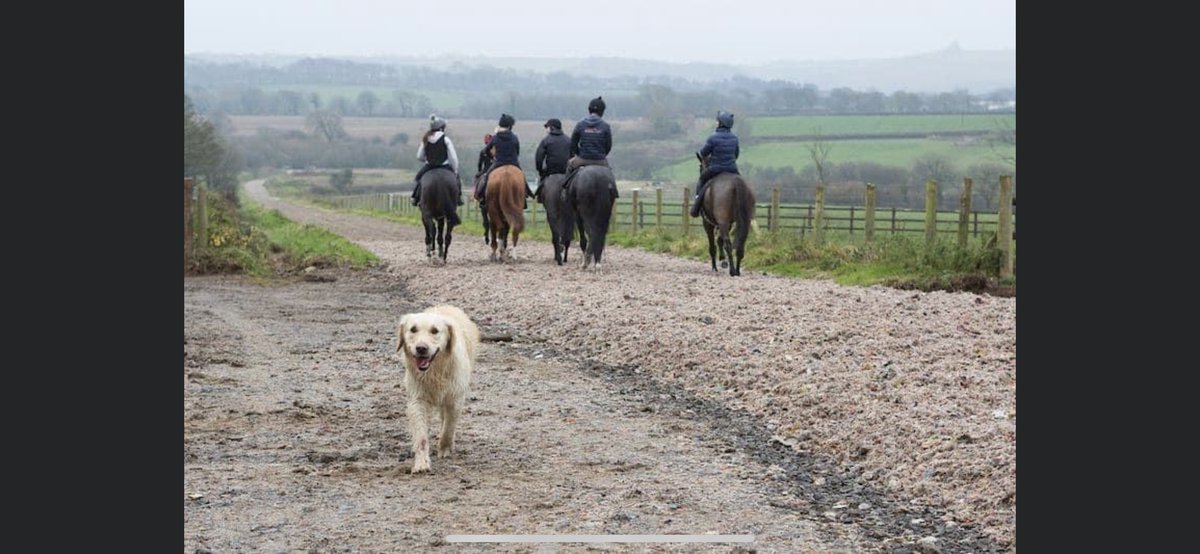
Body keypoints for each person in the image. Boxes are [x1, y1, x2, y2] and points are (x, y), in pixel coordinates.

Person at [561, 96, 617, 199]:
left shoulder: (581, 124)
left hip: (583, 159)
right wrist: (602, 154)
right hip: (600, 160)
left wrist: (579, 153)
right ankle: (614, 192)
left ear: (589, 109)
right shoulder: (605, 126)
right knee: (609, 173)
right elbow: (608, 145)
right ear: (602, 111)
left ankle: (565, 191)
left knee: (569, 165)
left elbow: (573, 143)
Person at [475, 113, 535, 207]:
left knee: (486, 177)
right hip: (513, 163)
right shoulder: (514, 137)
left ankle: (481, 196)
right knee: (522, 178)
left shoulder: (495, 137)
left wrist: (492, 157)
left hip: (498, 163)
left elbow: (486, 150)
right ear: (510, 126)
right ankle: (525, 197)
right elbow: (517, 151)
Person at [690, 110, 740, 217]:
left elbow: (703, 153)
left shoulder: (713, 137)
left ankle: (696, 206)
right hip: (732, 169)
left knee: (702, 180)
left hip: (715, 168)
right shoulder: (734, 138)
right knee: (741, 185)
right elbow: (736, 155)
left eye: (718, 121)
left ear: (721, 123)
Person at [410, 115, 462, 206]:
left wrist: (427, 160)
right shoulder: (446, 139)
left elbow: (419, 156)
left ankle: (415, 197)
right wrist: (455, 169)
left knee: (418, 179)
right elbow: (453, 157)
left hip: (429, 166)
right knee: (457, 179)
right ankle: (458, 198)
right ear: (442, 128)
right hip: (444, 166)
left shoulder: (426, 139)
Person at [533, 118, 571, 203]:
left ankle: (540, 198)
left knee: (542, 184)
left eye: (547, 127)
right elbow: (573, 156)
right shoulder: (569, 140)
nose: (546, 129)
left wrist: (540, 171)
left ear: (552, 128)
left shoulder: (546, 140)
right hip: (566, 171)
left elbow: (539, 158)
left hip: (551, 171)